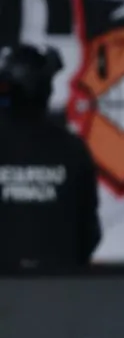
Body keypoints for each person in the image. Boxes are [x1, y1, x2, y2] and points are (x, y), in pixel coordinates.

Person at [0, 44, 100, 271]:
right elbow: (89, 233)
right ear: (47, 90)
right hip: (60, 291)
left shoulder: (72, 149)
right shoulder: (72, 149)